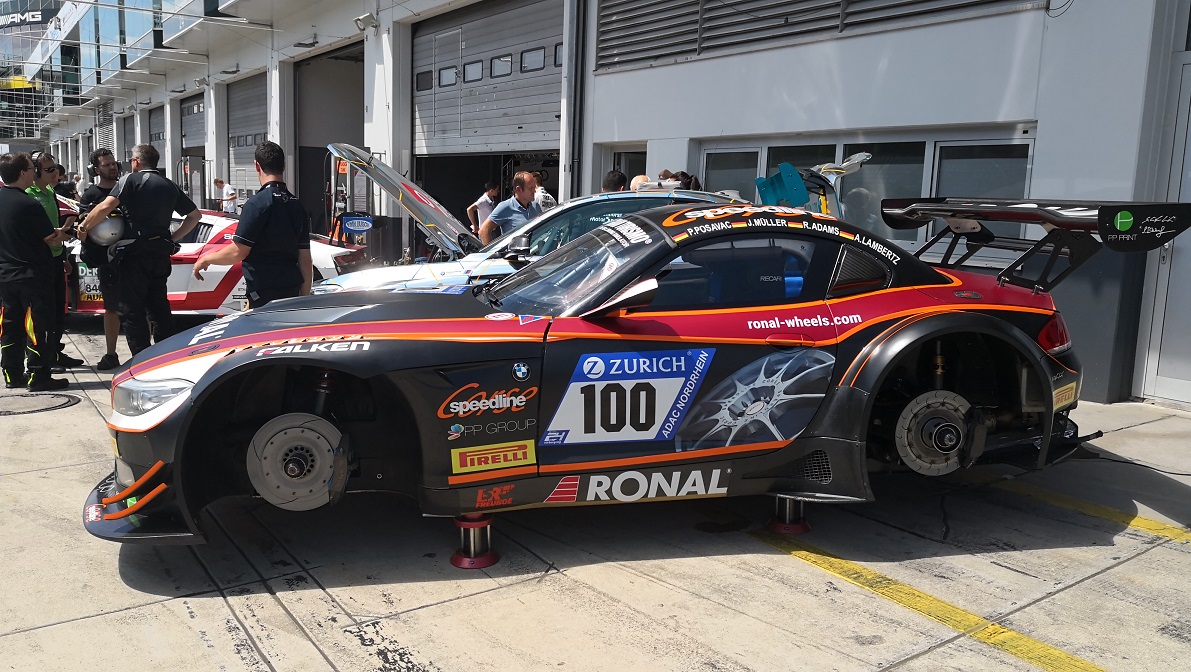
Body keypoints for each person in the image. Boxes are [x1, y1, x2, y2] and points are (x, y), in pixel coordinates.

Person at [78, 144, 201, 357]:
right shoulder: (169, 185)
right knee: (159, 308)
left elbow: (105, 207)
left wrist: (84, 227)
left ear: (136, 161)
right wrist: (172, 238)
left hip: (134, 255)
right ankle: (166, 356)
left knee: (131, 310)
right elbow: (194, 216)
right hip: (160, 254)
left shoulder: (130, 180)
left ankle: (142, 359)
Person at [193, 142, 313, 309]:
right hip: (291, 291)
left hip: (264, 293)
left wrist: (207, 259)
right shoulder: (298, 206)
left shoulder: (256, 204)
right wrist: (304, 297)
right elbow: (305, 259)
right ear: (284, 166)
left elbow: (238, 251)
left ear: (257, 166)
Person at [0, 152, 73, 391]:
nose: (35, 172)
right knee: (38, 325)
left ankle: (11, 374)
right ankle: (38, 375)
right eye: (32, 169)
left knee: (11, 325)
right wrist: (67, 233)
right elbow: (51, 239)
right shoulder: (29, 204)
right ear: (23, 173)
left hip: (6, 275)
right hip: (32, 275)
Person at [25, 151, 83, 371]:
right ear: (36, 172)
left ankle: (55, 351)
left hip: (56, 257)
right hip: (40, 261)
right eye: (49, 170)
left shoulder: (50, 191)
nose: (55, 173)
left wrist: (63, 255)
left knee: (59, 310)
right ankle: (44, 356)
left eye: (55, 168)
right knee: (43, 313)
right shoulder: (29, 194)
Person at [79, 148, 123, 370]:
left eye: (113, 163)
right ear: (95, 170)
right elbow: (82, 226)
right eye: (106, 165)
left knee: (140, 307)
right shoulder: (91, 195)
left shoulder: (125, 188)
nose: (111, 167)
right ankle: (111, 354)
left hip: (130, 257)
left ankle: (145, 354)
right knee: (112, 308)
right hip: (107, 261)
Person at [479, 171, 541, 245]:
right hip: (515, 252)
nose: (534, 191)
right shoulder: (506, 207)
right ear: (519, 189)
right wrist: (491, 251)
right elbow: (483, 231)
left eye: (534, 187)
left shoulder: (535, 206)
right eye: (531, 188)